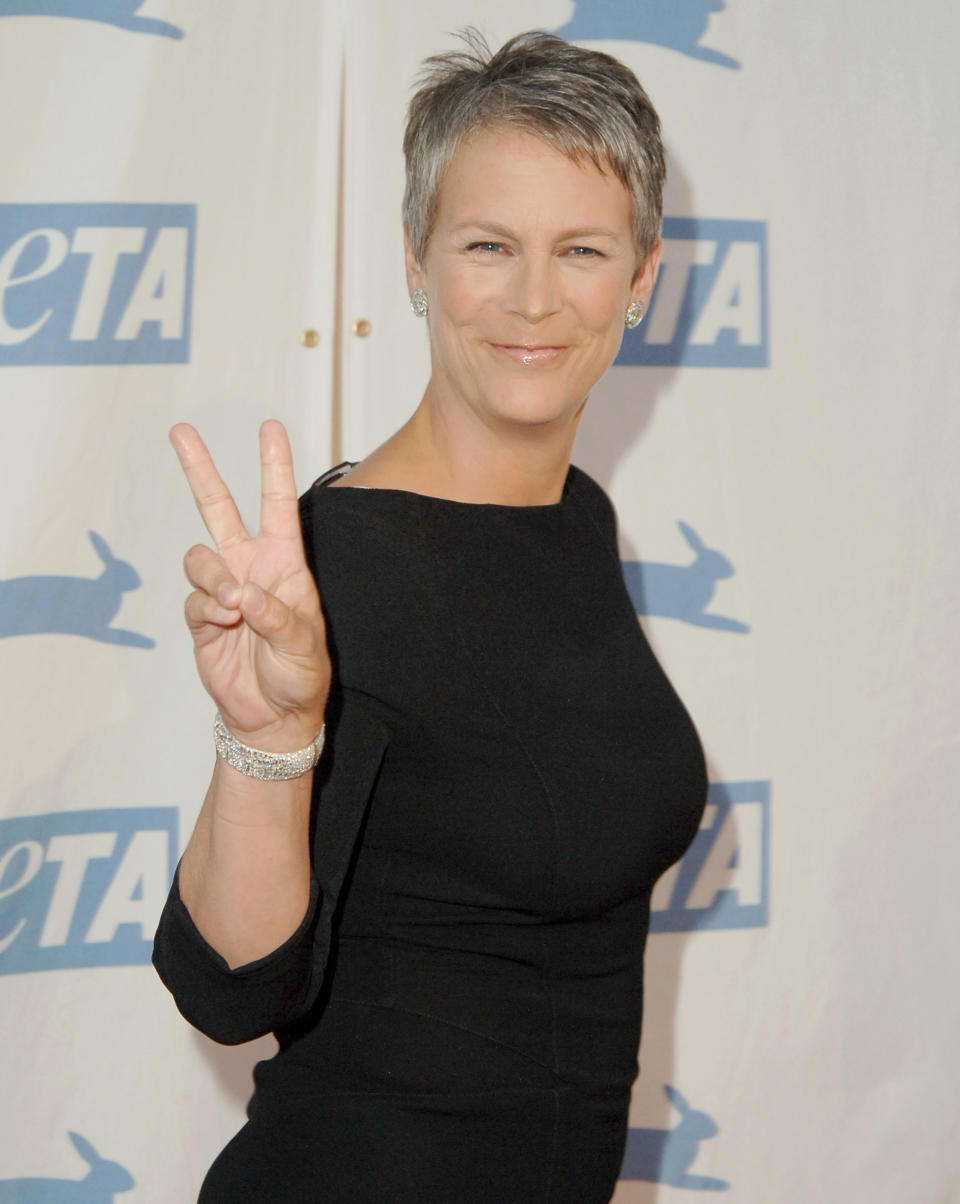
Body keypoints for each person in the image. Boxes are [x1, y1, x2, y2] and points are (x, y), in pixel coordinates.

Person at [153, 29, 707, 1203]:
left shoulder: (579, 521)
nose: (534, 298)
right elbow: (228, 987)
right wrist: (272, 736)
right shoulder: (337, 563)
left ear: (643, 278)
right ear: (417, 259)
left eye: (583, 250)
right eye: (488, 244)